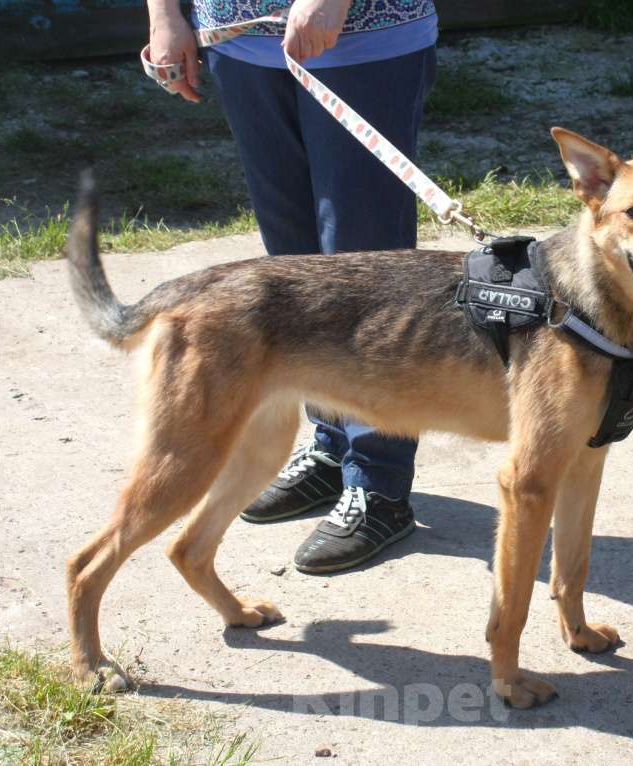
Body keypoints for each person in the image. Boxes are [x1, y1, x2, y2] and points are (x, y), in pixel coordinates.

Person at [146, 0, 438, 573]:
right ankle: (332, 445)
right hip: (241, 40)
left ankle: (379, 482)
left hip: (362, 38)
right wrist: (166, 17)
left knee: (365, 278)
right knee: (297, 273)